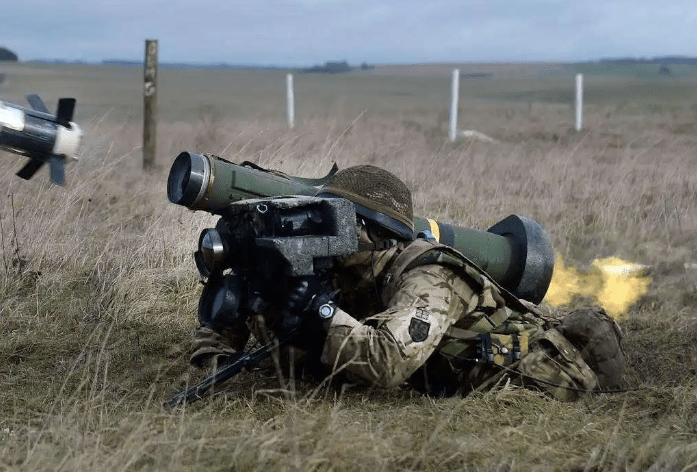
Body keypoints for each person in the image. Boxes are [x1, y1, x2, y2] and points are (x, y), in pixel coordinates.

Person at [189, 165, 625, 400]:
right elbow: (262, 303)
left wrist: (319, 311)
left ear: (378, 234)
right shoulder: (346, 267)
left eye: (339, 223)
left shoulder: (431, 276)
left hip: (543, 382)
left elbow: (387, 363)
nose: (320, 232)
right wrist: (221, 341)